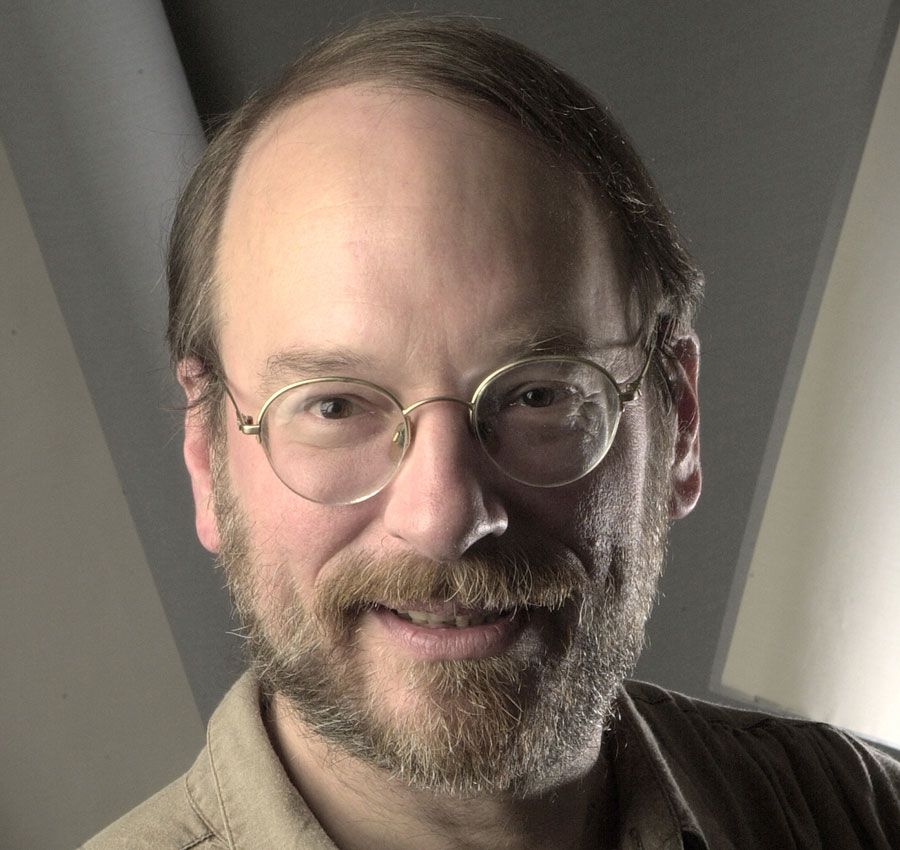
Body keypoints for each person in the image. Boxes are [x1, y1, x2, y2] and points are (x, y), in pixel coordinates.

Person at [84, 15, 900, 850]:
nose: (444, 517)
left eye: (537, 395)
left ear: (680, 422)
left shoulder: (865, 817)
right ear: (207, 455)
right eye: (334, 406)